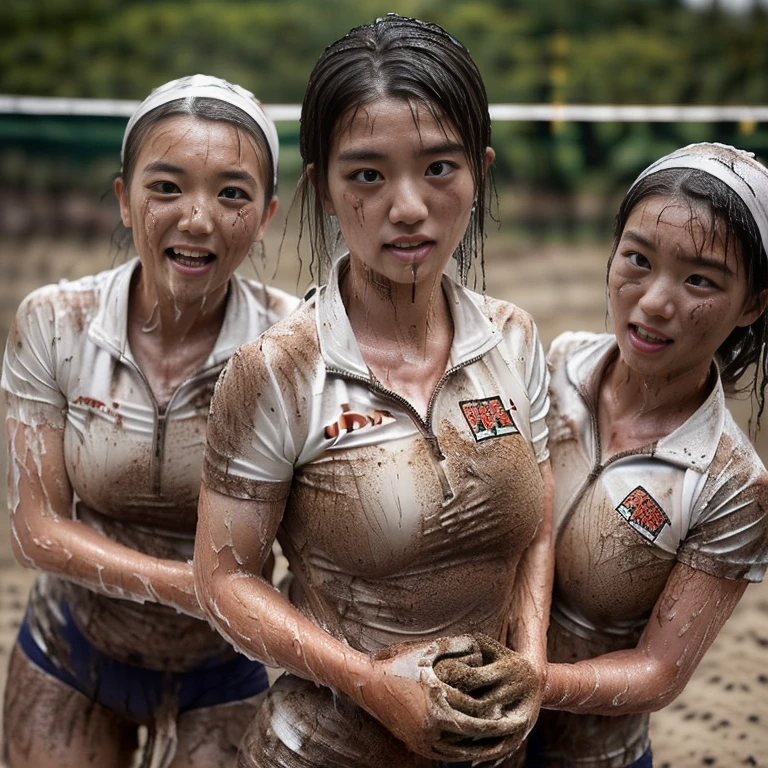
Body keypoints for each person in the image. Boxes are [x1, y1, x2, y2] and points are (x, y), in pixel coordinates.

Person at [194, 13, 555, 768]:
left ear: (480, 172)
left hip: (489, 751)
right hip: (323, 747)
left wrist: (531, 663)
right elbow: (224, 579)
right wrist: (371, 683)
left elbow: (538, 523)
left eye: (438, 168)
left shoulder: (515, 338)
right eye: (367, 174)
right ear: (323, 188)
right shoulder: (277, 370)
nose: (409, 207)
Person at [1, 74, 300, 768]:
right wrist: (197, 586)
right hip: (71, 647)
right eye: (166, 187)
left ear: (265, 215)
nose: (197, 218)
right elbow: (37, 529)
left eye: (232, 193)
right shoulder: (56, 323)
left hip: (224, 667)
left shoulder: (294, 346)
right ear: (125, 200)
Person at [527, 142, 768, 768]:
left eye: (699, 280)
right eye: (637, 259)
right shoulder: (554, 365)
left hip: (594, 756)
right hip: (473, 746)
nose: (656, 301)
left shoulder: (732, 483)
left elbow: (660, 670)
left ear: (752, 303)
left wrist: (532, 682)